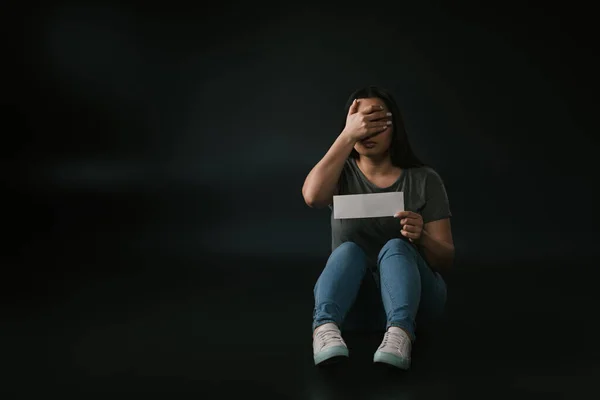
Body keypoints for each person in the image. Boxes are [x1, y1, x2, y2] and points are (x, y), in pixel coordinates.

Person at [301, 86, 455, 370]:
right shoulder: (340, 174)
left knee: (396, 247)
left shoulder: (424, 179)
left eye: (377, 123)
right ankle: (324, 328)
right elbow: (312, 197)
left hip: (417, 303)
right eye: (361, 123)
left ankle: (400, 333)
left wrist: (422, 238)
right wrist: (347, 136)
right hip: (355, 307)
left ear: (394, 127)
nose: (367, 132)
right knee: (348, 251)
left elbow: (445, 259)